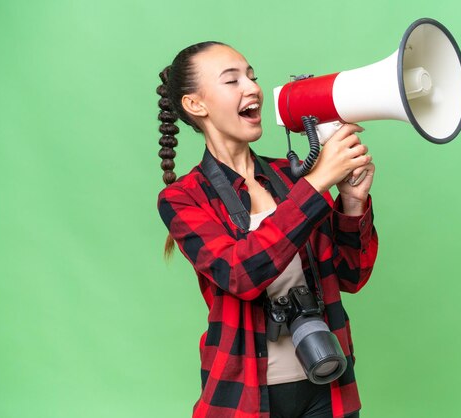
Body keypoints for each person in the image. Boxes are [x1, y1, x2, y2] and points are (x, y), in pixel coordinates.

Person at [156, 41, 378, 418]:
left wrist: (353, 203)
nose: (253, 88)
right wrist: (317, 184)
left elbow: (350, 276)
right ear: (196, 104)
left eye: (252, 77)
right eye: (232, 81)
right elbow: (240, 274)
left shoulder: (292, 179)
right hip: (244, 394)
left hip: (329, 382)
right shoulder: (182, 198)